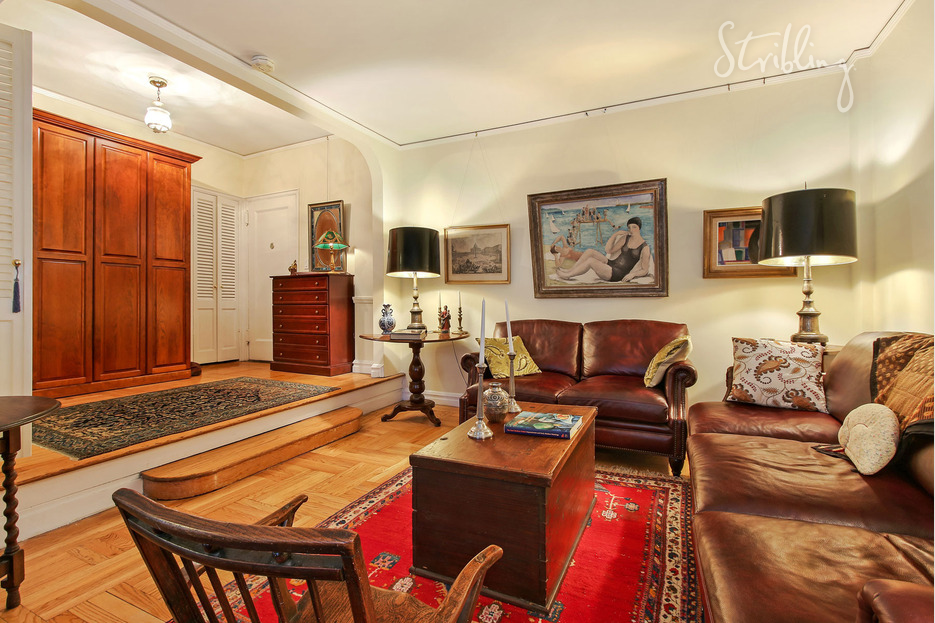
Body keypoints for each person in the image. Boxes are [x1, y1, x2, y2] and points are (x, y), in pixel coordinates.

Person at [555, 216, 653, 283]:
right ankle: (570, 270)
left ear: (639, 228)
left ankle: (568, 275)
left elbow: (645, 270)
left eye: (634, 227)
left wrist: (633, 275)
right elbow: (608, 250)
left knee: (591, 261)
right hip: (612, 264)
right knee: (589, 251)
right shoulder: (625, 238)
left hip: (617, 274)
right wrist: (616, 234)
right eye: (629, 227)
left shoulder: (644, 247)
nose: (631, 230)